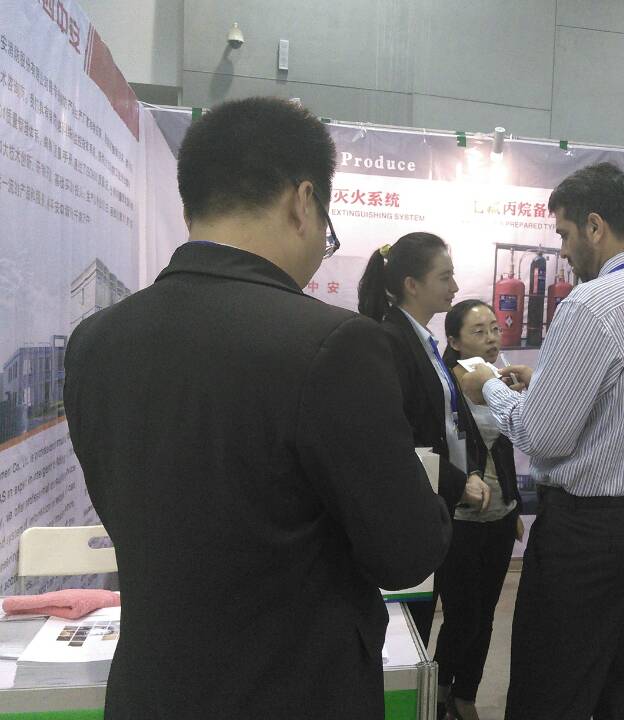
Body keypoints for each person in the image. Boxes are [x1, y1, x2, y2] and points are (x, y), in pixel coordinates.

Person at [63, 97, 451, 720]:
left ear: (190, 207)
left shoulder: (95, 340)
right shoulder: (334, 344)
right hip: (295, 692)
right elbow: (405, 553)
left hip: (149, 691)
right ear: (303, 201)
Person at [460, 161, 624, 720]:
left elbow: (542, 436)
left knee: (552, 691)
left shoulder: (591, 305)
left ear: (595, 226)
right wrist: (544, 384)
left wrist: (489, 388)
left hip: (586, 537)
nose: (564, 250)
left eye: (566, 234)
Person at [358, 234, 491, 644]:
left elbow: (450, 421)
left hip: (437, 500)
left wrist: (470, 471)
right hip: (413, 507)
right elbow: (399, 437)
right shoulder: (391, 341)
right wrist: (457, 481)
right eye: (444, 277)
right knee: (409, 631)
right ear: (412, 285)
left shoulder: (423, 341)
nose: (455, 287)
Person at [436, 300, 525, 720]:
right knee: (461, 615)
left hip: (500, 516)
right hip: (460, 518)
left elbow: (506, 446)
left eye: (494, 328)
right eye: (478, 331)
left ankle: (465, 695)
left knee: (486, 614)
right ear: (454, 341)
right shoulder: (445, 384)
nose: (491, 339)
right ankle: (439, 691)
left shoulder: (499, 376)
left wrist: (514, 505)